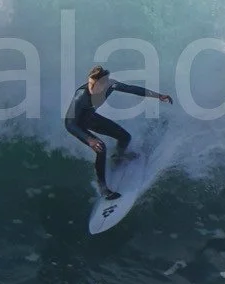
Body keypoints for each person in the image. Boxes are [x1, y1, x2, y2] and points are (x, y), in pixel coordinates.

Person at [65, 65, 172, 201]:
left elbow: (131, 89)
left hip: (92, 119)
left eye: (94, 85)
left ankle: (118, 157)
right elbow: (69, 124)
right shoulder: (80, 96)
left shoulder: (111, 85)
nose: (90, 87)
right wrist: (89, 139)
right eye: (90, 83)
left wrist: (158, 96)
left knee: (125, 137)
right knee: (100, 147)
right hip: (78, 125)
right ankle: (103, 188)